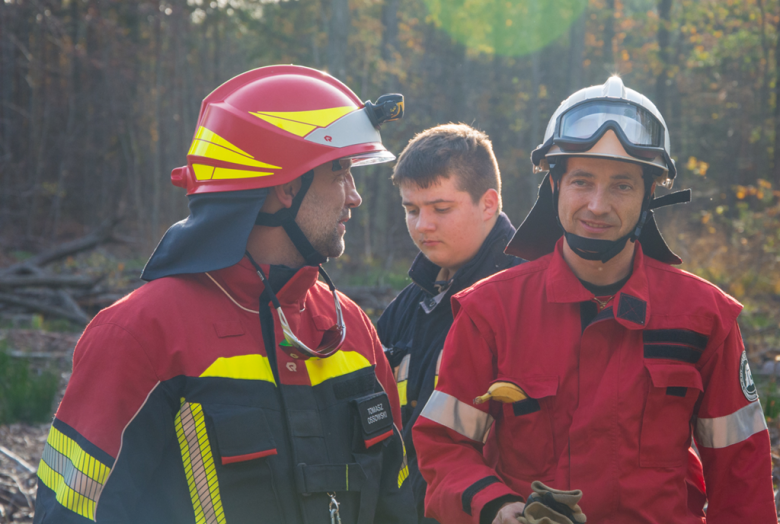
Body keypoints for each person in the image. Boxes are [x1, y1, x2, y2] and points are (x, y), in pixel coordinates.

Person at [33, 65, 417, 524]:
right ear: (284, 185)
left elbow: (396, 501)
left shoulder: (350, 327)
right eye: (339, 172)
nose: (353, 197)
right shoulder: (142, 333)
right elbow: (72, 515)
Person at [413, 76, 778, 524]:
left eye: (622, 185)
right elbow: (444, 446)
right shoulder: (490, 312)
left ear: (649, 195)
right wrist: (500, 509)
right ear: (554, 187)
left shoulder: (705, 317)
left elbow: (741, 474)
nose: (598, 205)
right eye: (582, 181)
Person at [377, 124, 522, 523]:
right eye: (411, 209)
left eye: (441, 209)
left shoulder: (529, 298)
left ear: (488, 204)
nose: (423, 225)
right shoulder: (407, 306)